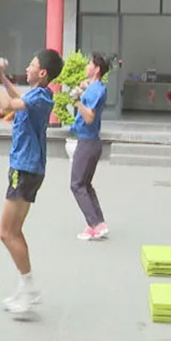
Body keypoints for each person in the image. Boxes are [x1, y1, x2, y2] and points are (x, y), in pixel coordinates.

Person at [0, 50, 64, 315]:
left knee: (6, 232)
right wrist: (2, 76)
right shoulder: (39, 95)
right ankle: (26, 286)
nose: (27, 68)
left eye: (32, 65)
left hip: (25, 169)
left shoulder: (40, 97)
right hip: (28, 168)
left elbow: (6, 105)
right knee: (14, 231)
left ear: (42, 73)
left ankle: (28, 288)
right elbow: (16, 98)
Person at [70, 53, 111, 241]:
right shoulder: (98, 87)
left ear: (97, 69)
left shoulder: (95, 90)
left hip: (87, 142)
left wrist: (77, 100)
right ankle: (98, 223)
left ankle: (94, 224)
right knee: (85, 185)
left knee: (77, 184)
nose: (87, 66)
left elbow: (89, 117)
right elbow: (92, 90)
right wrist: (84, 88)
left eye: (89, 64)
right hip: (92, 142)